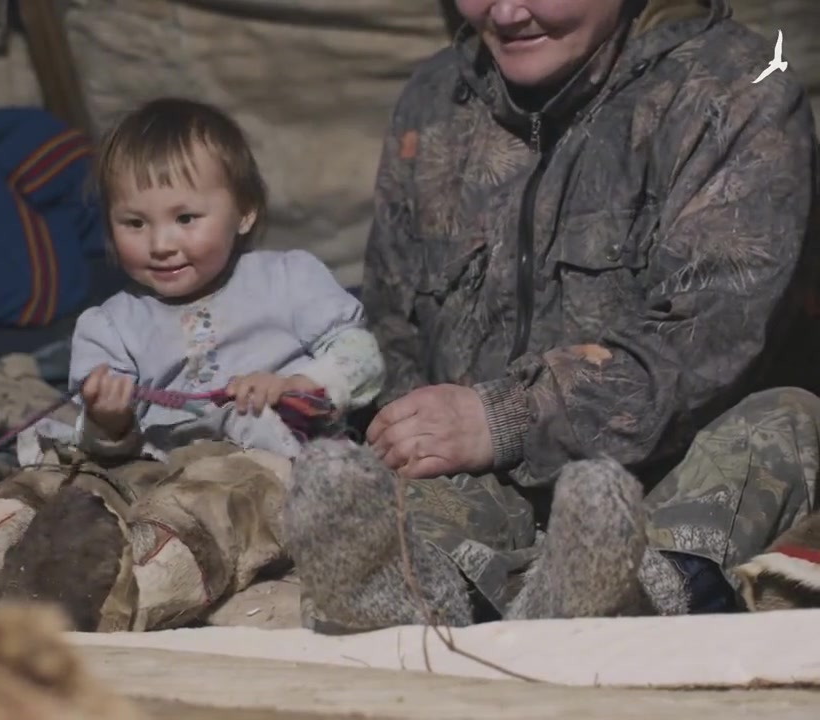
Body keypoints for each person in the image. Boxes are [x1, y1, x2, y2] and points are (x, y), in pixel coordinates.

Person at [283, 0, 820, 632]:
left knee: (784, 418)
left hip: (673, 466)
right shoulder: (438, 100)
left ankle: (631, 596)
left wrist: (507, 416)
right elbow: (393, 318)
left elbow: (710, 335)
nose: (505, 12)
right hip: (484, 474)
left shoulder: (736, 86)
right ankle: (420, 593)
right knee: (399, 486)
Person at [0, 97, 386, 632]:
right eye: (134, 223)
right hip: (149, 467)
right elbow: (96, 438)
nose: (161, 244)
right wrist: (108, 418)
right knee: (64, 488)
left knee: (214, 503)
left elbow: (361, 358)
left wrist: (297, 383)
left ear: (244, 211)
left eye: (186, 218)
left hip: (262, 467)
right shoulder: (111, 324)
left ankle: (117, 597)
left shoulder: (289, 280)